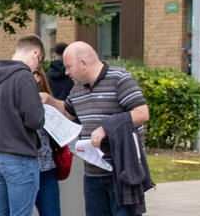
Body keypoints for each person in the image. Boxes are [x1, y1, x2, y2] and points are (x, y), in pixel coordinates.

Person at [40, 42, 151, 216]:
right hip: (92, 174)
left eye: (69, 67)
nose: (66, 72)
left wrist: (106, 127)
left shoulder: (120, 78)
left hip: (120, 172)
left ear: (83, 63)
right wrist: (49, 100)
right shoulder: (77, 89)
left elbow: (142, 113)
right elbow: (69, 113)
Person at [0, 36, 47, 216]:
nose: (36, 69)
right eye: (38, 65)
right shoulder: (24, 78)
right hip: (20, 158)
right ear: (36, 54)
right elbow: (35, 120)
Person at [30, 70, 60, 216]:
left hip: (46, 167)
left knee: (51, 211)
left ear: (39, 77)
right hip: (23, 167)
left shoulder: (48, 103)